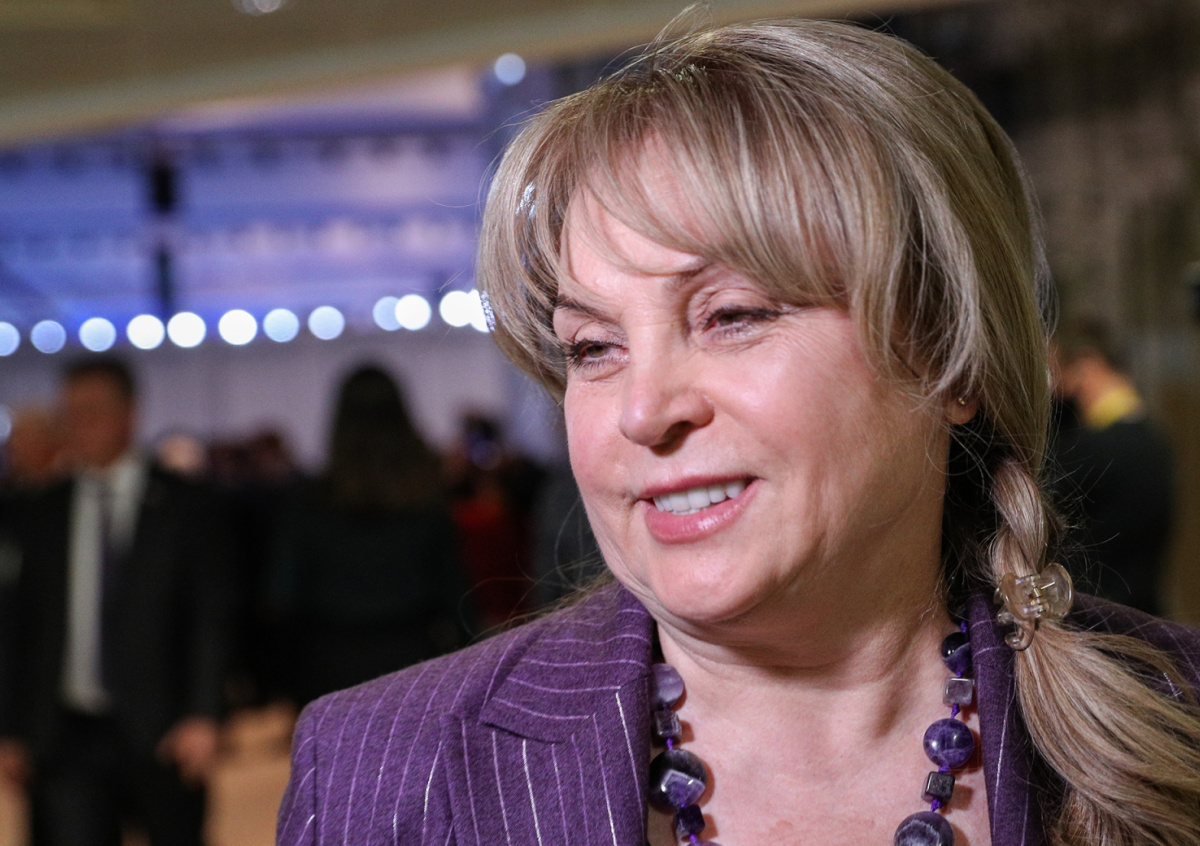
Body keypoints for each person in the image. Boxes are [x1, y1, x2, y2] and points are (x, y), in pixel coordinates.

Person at [276, 19, 1200, 846]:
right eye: (593, 348)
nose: (645, 411)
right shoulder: (381, 773)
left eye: (733, 315)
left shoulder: (1180, 720)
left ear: (952, 357)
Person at [0, 357, 234, 846]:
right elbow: (18, 626)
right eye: (70, 413)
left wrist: (204, 713)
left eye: (93, 411)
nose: (80, 426)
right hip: (66, 734)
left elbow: (210, 617)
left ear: (129, 413)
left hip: (164, 729)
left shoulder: (186, 505)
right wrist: (12, 729)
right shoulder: (41, 511)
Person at [268, 365, 472, 706]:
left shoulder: (309, 501)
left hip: (327, 667)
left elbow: (283, 594)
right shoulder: (426, 500)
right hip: (414, 662)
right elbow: (456, 595)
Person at [1049, 319, 1175, 615]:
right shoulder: (1152, 439)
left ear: (1087, 366)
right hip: (1141, 615)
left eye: (1056, 372)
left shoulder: (1097, 449)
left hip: (1097, 620)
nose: (1054, 387)